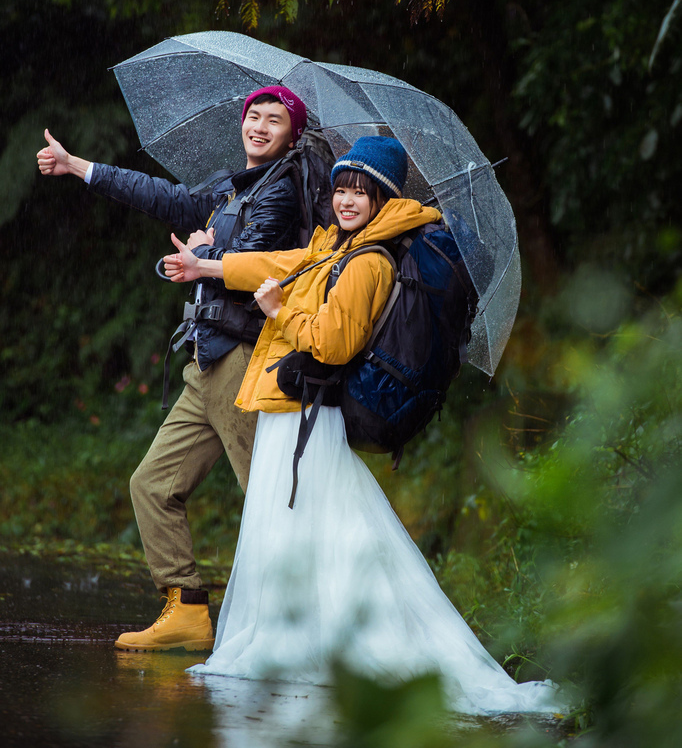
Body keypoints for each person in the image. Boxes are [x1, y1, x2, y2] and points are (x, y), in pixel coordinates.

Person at [162, 136, 563, 715]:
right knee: (317, 535)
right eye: (343, 187)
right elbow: (282, 263)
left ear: (384, 199)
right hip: (289, 415)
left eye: (362, 191)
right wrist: (209, 266)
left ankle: (344, 647)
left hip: (309, 417)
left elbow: (332, 342)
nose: (347, 199)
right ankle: (314, 639)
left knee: (325, 534)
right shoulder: (336, 246)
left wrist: (280, 311)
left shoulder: (369, 261)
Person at [36, 86, 308, 652]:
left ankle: (301, 619)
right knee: (152, 484)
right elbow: (161, 195)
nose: (258, 125)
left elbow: (255, 261)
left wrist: (205, 258)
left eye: (273, 119)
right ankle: (186, 608)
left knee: (267, 497)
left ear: (292, 133)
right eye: (252, 115)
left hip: (243, 361)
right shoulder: (232, 187)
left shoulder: (285, 189)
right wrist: (76, 166)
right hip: (205, 360)